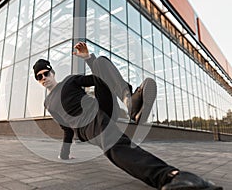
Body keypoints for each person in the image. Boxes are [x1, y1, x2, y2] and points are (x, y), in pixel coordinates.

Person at [32, 42, 223, 190]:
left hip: (101, 107)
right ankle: (171, 176)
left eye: (46, 73)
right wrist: (64, 154)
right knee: (116, 147)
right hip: (86, 125)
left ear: (52, 72)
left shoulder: (70, 81)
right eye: (39, 77)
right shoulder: (48, 103)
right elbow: (65, 129)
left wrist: (88, 58)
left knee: (100, 61)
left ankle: (130, 99)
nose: (43, 78)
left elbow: (99, 78)